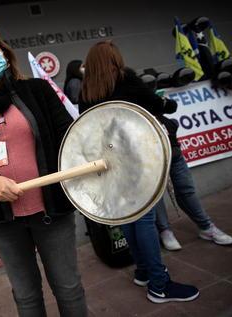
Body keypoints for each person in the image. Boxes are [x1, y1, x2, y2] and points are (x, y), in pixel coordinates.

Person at [0, 26, 87, 316]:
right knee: (26, 297)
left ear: (5, 54)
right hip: (3, 222)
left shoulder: (38, 90)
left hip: (52, 214)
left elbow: (68, 136)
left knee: (68, 288)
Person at [79, 40, 199, 303]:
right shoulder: (126, 80)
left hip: (109, 166)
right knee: (144, 220)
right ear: (114, 59)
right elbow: (156, 105)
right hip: (135, 160)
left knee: (127, 218)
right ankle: (159, 284)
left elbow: (86, 131)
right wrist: (167, 105)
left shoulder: (85, 92)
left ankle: (143, 271)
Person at [155, 169, 232, 250]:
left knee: (186, 189)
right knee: (156, 193)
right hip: (152, 159)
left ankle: (206, 227)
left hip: (174, 157)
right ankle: (165, 231)